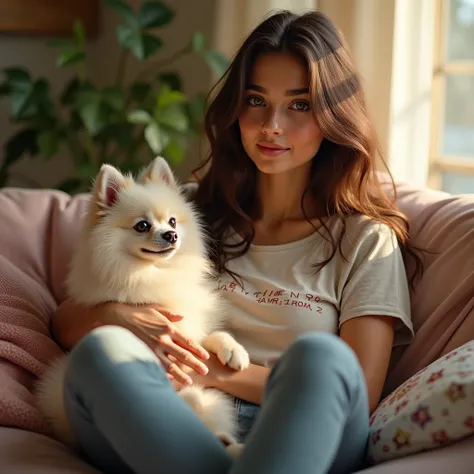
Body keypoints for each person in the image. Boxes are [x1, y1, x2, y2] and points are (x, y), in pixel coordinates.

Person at [52, 10, 419, 474]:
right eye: (256, 100)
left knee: (320, 358)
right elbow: (66, 322)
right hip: (172, 415)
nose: (272, 126)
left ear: (332, 115)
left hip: (301, 426)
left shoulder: (367, 238)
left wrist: (208, 369)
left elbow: (358, 393)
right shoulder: (185, 214)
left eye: (299, 105)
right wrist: (119, 317)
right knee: (99, 353)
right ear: (235, 109)